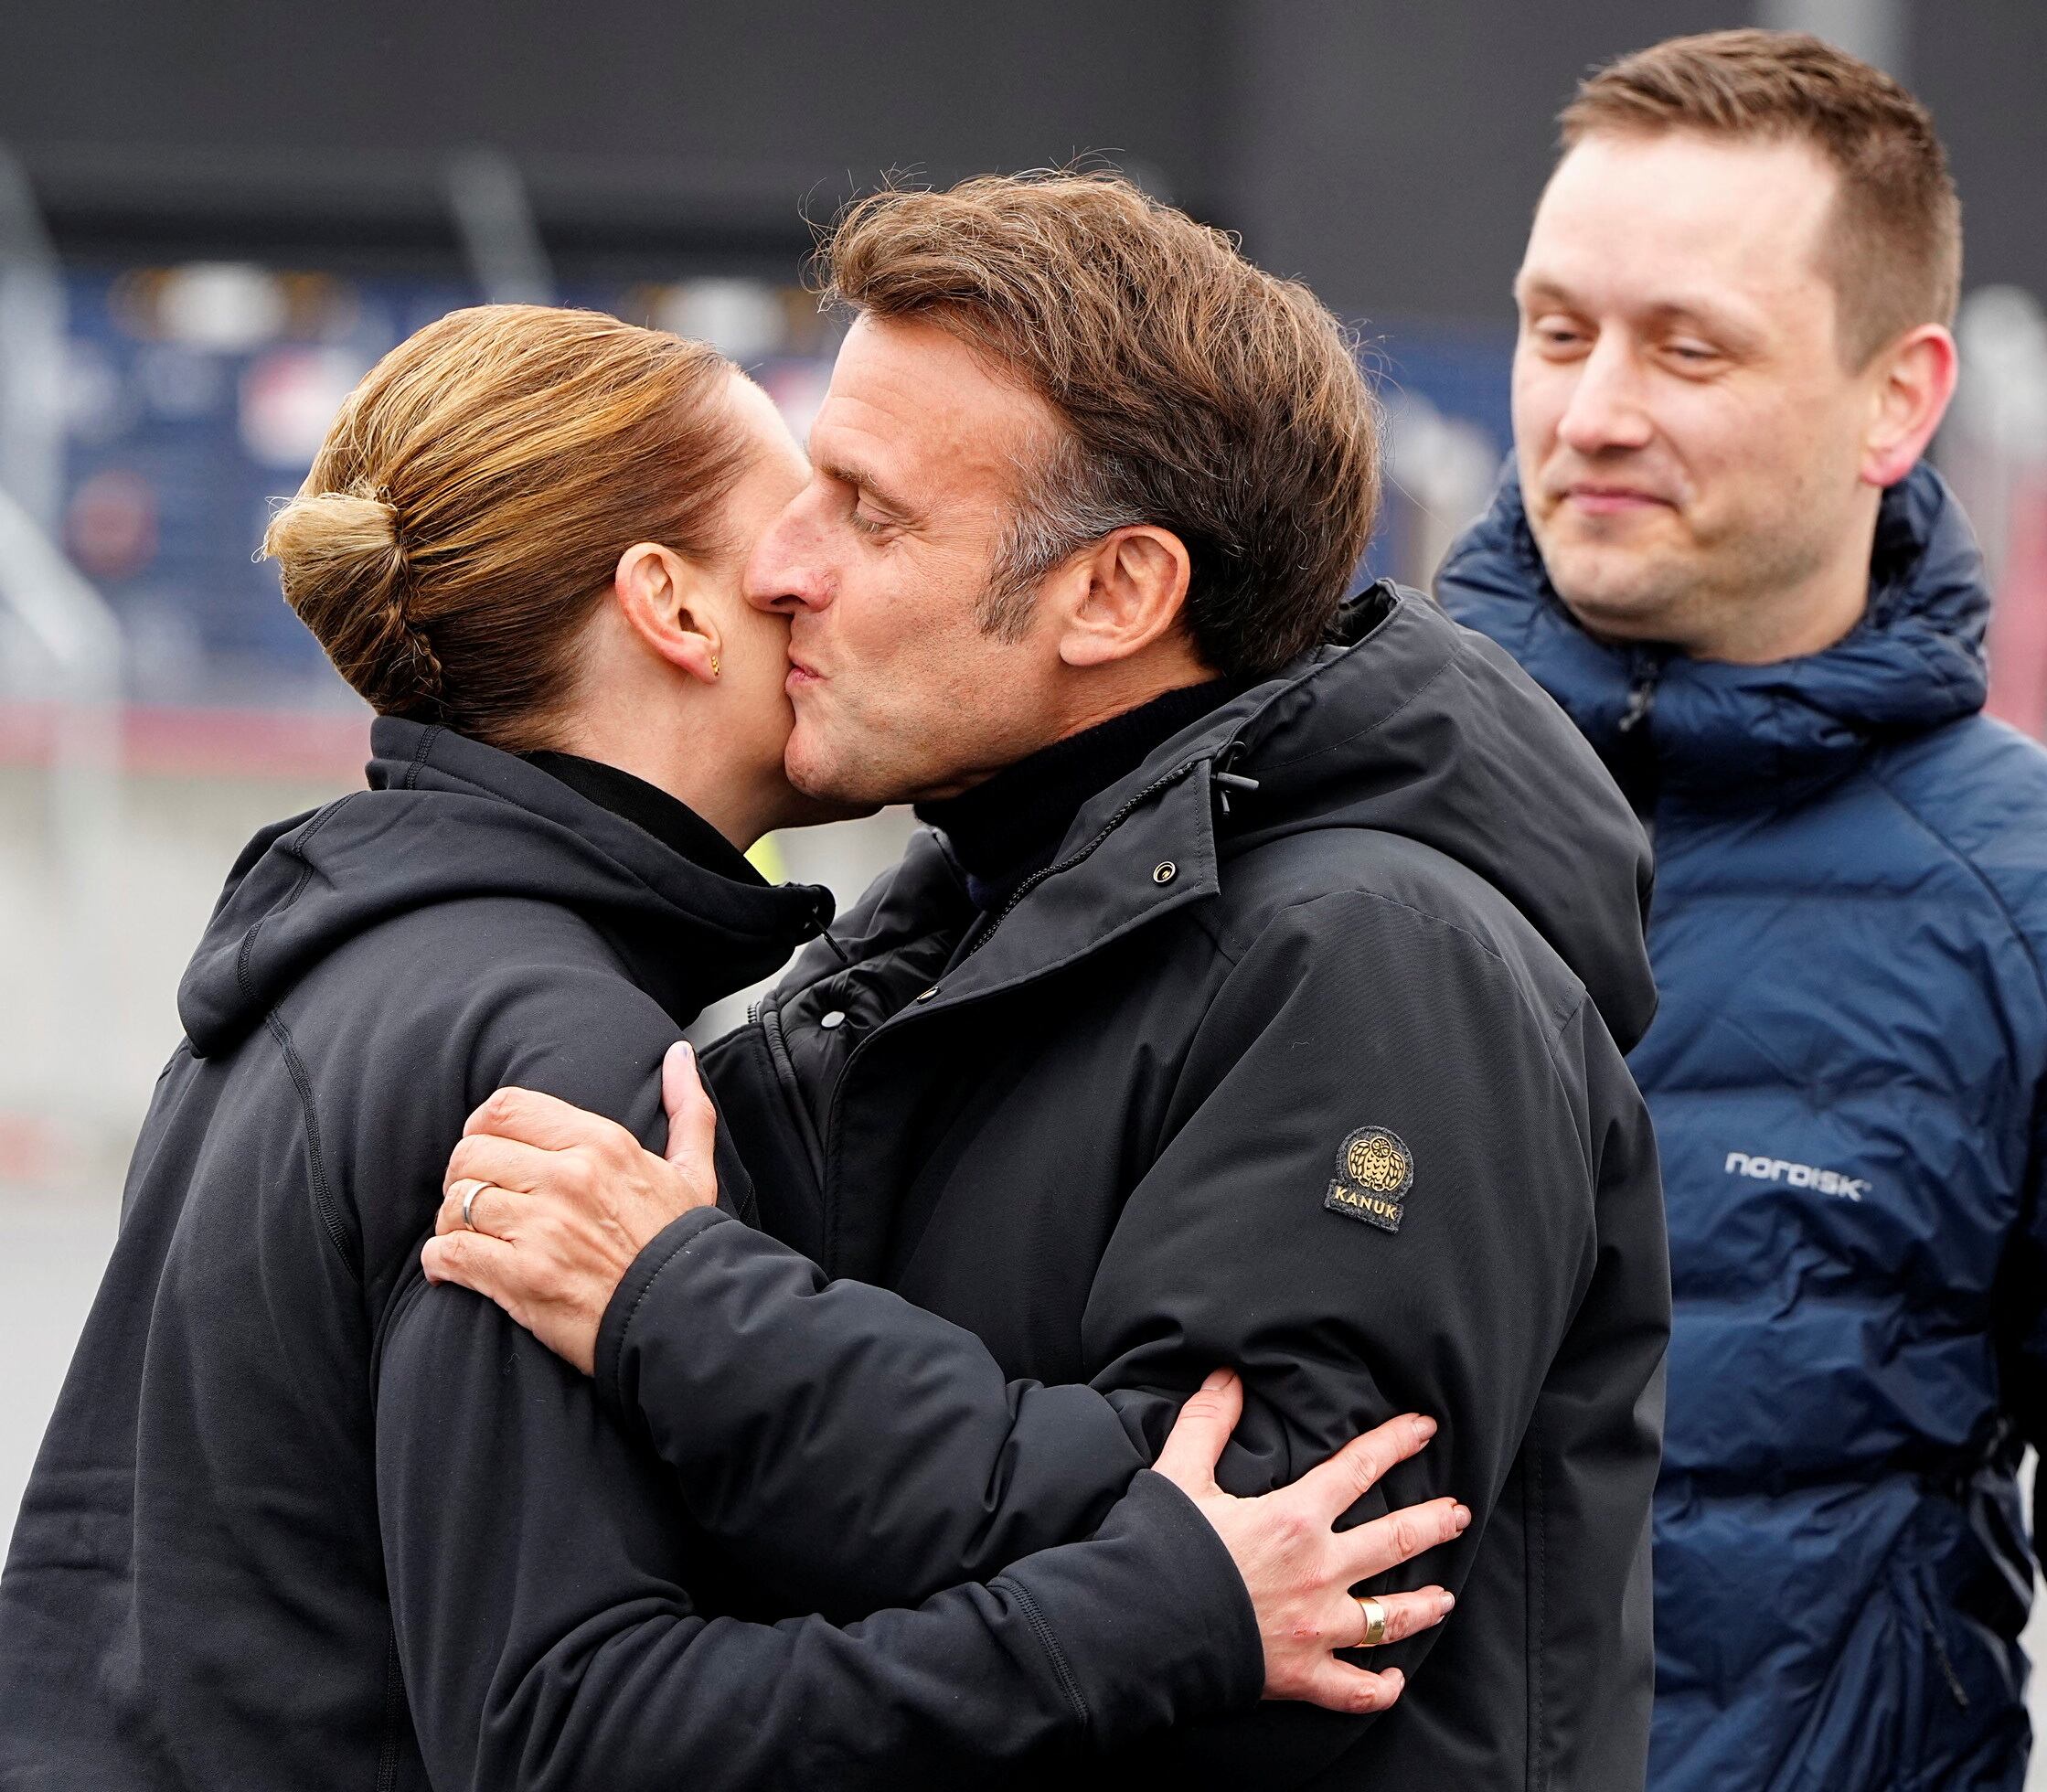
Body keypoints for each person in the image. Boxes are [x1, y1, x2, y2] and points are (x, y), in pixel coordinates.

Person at [0, 305, 1471, 1791]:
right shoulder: (544, 1042)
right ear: (674, 609)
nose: (818, 578)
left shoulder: (335, 961)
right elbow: (570, 1734)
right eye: (796, 525)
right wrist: (1155, 1615)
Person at [423, 173, 1669, 1790]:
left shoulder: (1377, 960)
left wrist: (685, 1311)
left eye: (868, 515)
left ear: (1114, 595)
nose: (779, 566)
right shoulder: (972, 907)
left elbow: (1266, 1569)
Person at [1434, 31, 2047, 1791]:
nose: (1592, 409)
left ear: (1897, 396)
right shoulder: (1284, 807)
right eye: (1556, 332)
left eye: (1686, 346)